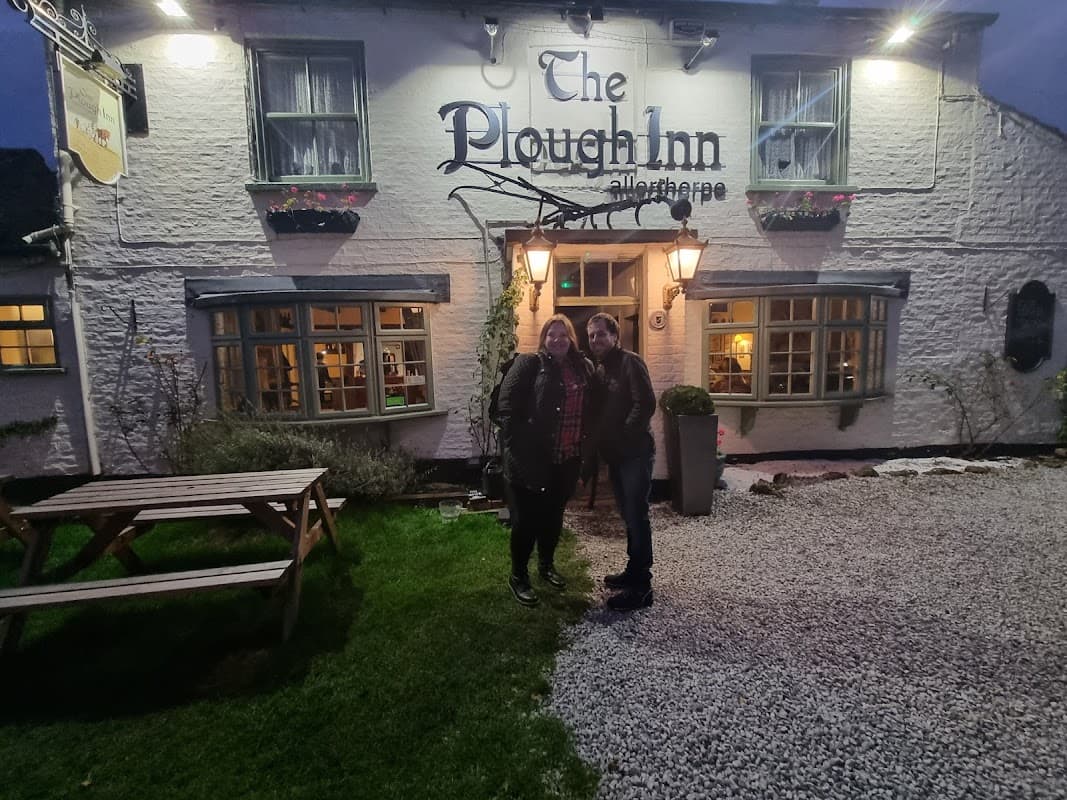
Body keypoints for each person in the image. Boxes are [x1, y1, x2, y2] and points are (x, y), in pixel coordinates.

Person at [495, 314, 594, 607]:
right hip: (530, 460)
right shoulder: (529, 364)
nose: (558, 340)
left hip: (566, 459)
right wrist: (518, 451)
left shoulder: (583, 367)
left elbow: (593, 408)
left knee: (553, 518)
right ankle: (518, 576)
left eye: (564, 335)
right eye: (552, 335)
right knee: (526, 522)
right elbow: (505, 411)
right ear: (543, 339)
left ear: (572, 339)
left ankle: (546, 566)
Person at [585, 311, 657, 611]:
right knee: (628, 514)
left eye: (601, 334)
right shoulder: (601, 369)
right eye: (591, 335)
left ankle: (642, 587)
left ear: (615, 336)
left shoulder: (630, 362)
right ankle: (633, 570)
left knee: (637, 515)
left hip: (635, 453)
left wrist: (625, 436)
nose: (595, 340)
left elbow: (646, 403)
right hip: (617, 455)